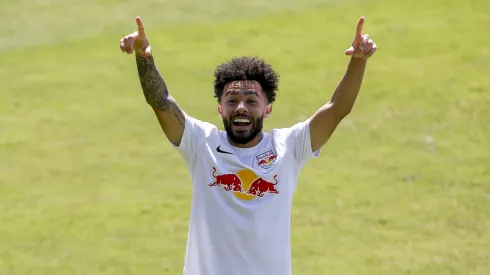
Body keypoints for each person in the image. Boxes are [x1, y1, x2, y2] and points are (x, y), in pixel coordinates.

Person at [119, 15, 376, 275]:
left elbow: (337, 108)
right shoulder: (201, 142)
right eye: (232, 100)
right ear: (220, 108)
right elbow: (160, 100)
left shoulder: (289, 146)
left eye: (252, 101)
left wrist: (358, 61)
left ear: (267, 109)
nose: (241, 107)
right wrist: (144, 56)